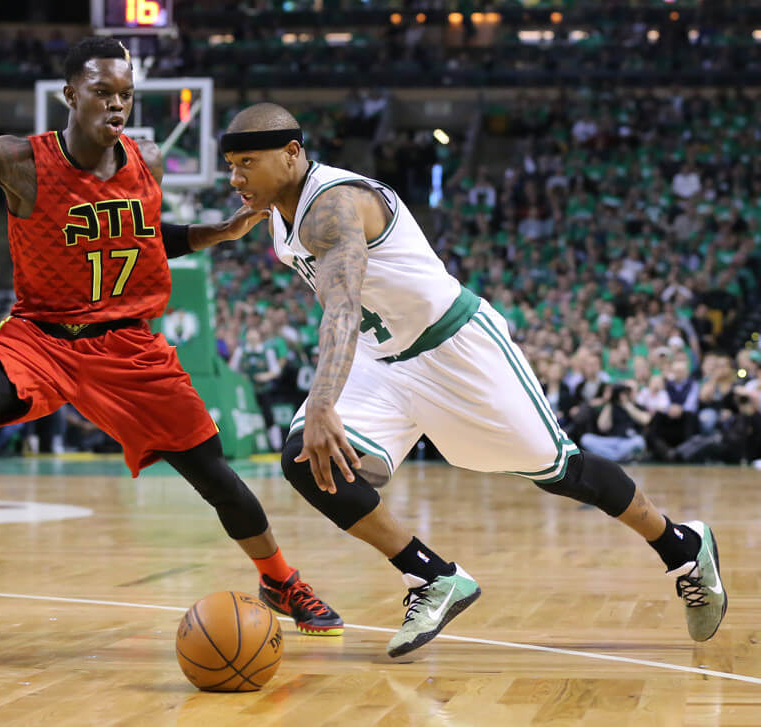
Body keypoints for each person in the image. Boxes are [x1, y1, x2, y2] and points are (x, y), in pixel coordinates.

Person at [0, 39, 342, 635]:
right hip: (40, 335)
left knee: (214, 475)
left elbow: (140, 236)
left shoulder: (146, 162)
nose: (117, 105)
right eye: (102, 93)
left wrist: (213, 233)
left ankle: (281, 580)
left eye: (126, 95)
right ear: (70, 95)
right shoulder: (13, 160)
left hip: (125, 347)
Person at [220, 102, 726, 658]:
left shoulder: (335, 206)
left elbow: (339, 309)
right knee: (308, 460)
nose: (235, 177)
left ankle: (681, 546)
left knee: (563, 471)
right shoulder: (277, 211)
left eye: (247, 162)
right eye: (230, 165)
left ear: (292, 154)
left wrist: (321, 401)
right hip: (380, 359)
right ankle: (431, 577)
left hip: (454, 349)